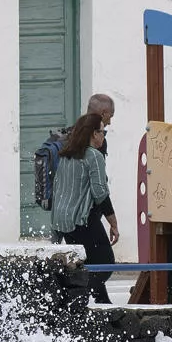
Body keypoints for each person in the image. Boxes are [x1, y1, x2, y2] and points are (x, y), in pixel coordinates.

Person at [51, 111, 119, 303]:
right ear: (92, 134)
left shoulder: (66, 155)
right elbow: (100, 193)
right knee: (105, 263)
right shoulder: (93, 156)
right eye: (102, 132)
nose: (103, 136)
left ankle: (103, 304)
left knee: (89, 264)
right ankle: (72, 299)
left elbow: (58, 188)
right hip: (83, 219)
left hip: (63, 221)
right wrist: (113, 222)